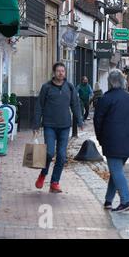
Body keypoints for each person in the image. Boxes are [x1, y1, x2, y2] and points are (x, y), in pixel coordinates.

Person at [94, 70, 129, 212]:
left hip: (112, 141)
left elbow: (97, 121)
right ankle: (108, 200)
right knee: (116, 170)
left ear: (110, 82)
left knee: (116, 170)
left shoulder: (106, 98)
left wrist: (100, 138)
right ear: (123, 82)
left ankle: (126, 200)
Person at [33, 62, 83, 193]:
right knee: (49, 153)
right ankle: (43, 174)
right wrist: (36, 124)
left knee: (61, 156)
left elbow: (75, 104)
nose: (61, 73)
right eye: (58, 71)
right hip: (49, 125)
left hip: (65, 126)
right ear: (54, 73)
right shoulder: (46, 87)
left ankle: (55, 182)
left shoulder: (70, 87)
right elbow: (39, 106)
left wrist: (79, 120)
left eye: (63, 71)